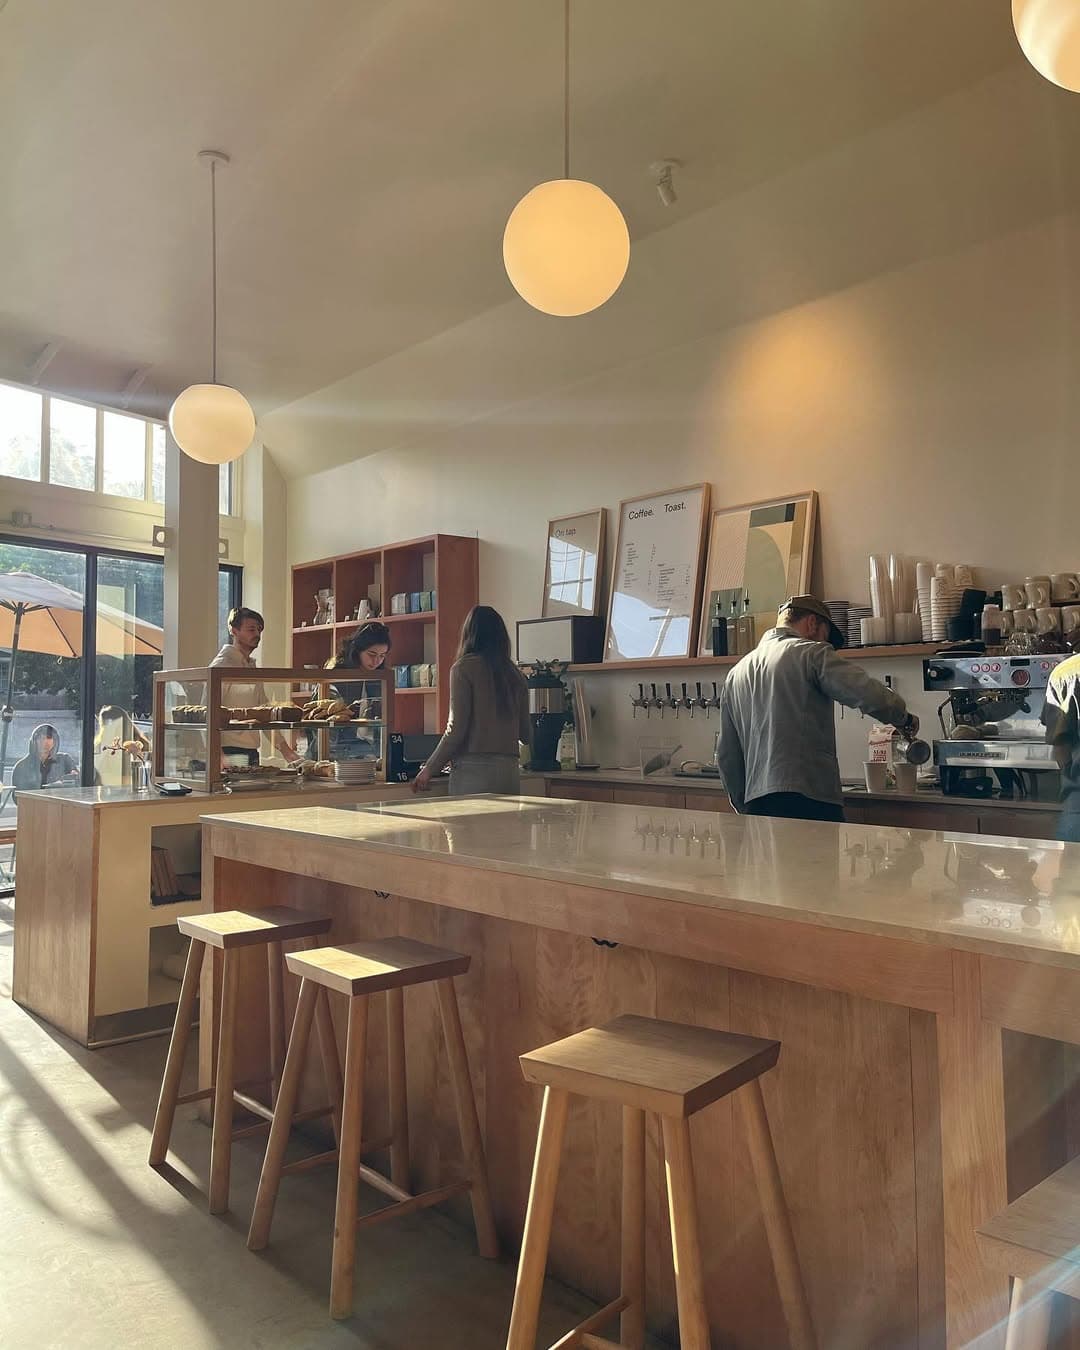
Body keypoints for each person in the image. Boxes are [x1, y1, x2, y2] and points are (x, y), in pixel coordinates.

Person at [716, 595, 918, 822]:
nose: (826, 644)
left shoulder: (736, 672)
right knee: (817, 859)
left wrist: (743, 805)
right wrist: (904, 718)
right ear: (812, 623)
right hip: (808, 799)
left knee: (769, 860)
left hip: (757, 803)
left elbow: (726, 755)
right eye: (826, 636)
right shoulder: (810, 652)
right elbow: (865, 692)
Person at [413, 605, 529, 796]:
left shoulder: (463, 668)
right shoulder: (515, 675)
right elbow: (526, 734)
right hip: (509, 772)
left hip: (473, 772)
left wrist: (429, 769)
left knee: (467, 826)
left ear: (469, 634)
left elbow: (456, 729)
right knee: (507, 826)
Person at [210, 606, 301, 764]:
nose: (257, 634)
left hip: (251, 751)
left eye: (259, 630)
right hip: (227, 751)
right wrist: (217, 754)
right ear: (234, 631)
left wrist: (286, 750)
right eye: (251, 629)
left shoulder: (251, 666)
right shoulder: (222, 665)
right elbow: (208, 711)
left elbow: (263, 711)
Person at [320, 622, 392, 761]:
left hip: (369, 753)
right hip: (332, 753)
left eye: (382, 656)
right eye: (371, 654)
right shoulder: (337, 674)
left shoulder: (381, 677)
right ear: (357, 649)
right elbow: (327, 725)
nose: (377, 661)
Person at [1041, 650, 1080, 841]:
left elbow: (1060, 747)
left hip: (1077, 805)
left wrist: (1069, 773)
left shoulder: (1065, 672)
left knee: (1073, 870)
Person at [12, 724, 80, 791]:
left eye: (48, 738)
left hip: (60, 800)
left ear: (55, 741)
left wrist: (74, 777)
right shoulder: (21, 766)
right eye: (40, 738)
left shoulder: (65, 760)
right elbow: (17, 796)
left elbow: (78, 784)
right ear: (34, 741)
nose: (44, 742)